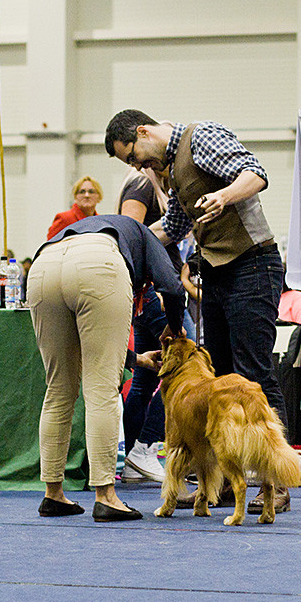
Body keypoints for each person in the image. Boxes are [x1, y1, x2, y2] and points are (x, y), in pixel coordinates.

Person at [105, 108, 291, 514]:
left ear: (143, 132)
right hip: (217, 275)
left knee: (254, 374)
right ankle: (226, 482)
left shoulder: (201, 136)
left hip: (253, 266)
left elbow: (255, 173)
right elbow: (171, 226)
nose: (140, 167)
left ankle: (273, 485)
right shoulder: (170, 170)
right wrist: (119, 239)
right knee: (222, 379)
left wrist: (225, 195)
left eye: (135, 157)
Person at [28, 214, 185, 522]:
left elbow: (89, 348)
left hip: (42, 265)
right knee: (102, 389)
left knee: (58, 389)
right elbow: (173, 287)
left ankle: (53, 494)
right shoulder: (146, 235)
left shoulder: (105, 227)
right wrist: (173, 328)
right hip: (98, 264)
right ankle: (106, 496)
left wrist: (137, 359)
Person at [116, 168, 181, 482]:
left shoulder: (152, 187)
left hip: (148, 289)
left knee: (143, 378)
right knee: (185, 363)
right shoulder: (143, 185)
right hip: (152, 289)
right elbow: (131, 233)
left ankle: (133, 459)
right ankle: (146, 448)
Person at [46, 176, 103, 240]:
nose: (87, 195)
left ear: (99, 197)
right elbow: (50, 246)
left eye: (91, 191)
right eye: (82, 192)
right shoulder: (64, 218)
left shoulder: (101, 221)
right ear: (75, 197)